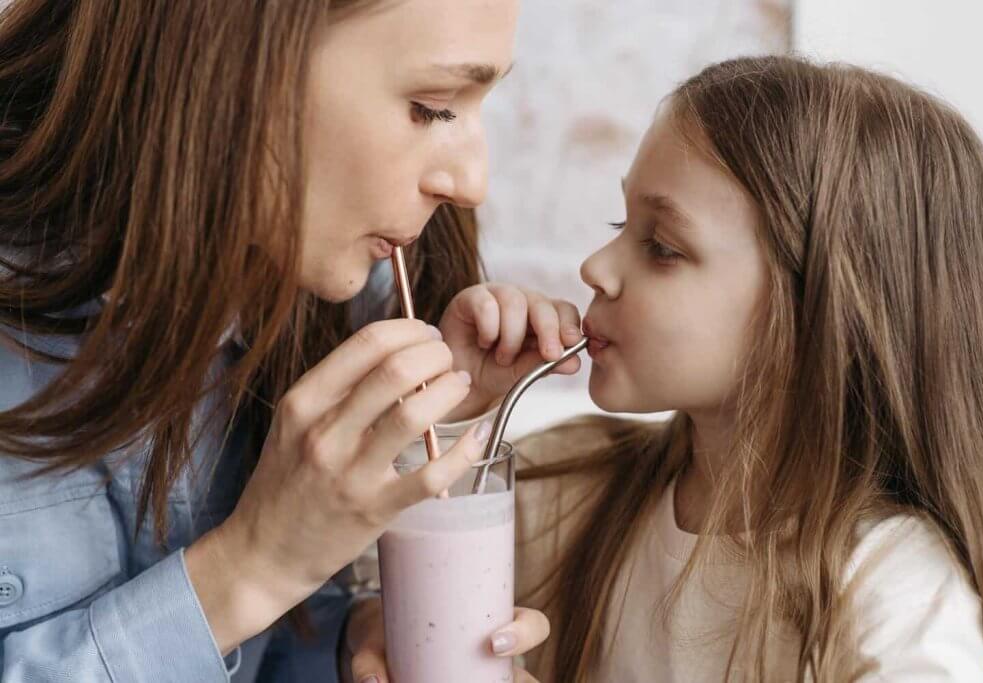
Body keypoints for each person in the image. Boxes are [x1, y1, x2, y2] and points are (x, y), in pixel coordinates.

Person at [349, 55, 983, 682]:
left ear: (821, 311)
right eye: (619, 225)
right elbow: (355, 575)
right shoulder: (574, 485)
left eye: (663, 247)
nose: (595, 267)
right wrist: (454, 407)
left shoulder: (895, 592)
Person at [0, 1, 570, 680]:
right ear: (231, 52)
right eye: (431, 107)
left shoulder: (321, 282)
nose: (472, 184)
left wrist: (349, 640)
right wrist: (253, 567)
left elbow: (264, 646)